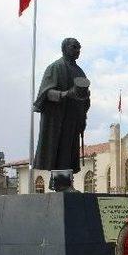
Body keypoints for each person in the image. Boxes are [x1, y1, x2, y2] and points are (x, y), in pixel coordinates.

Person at [33, 37, 91, 191]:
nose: (78, 51)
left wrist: (83, 116)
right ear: (65, 48)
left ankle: (64, 183)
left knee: (69, 151)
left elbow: (85, 96)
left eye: (79, 48)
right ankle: (61, 184)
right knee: (59, 150)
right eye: (74, 47)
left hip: (73, 117)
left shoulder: (79, 71)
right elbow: (45, 93)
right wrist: (65, 94)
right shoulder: (55, 67)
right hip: (58, 118)